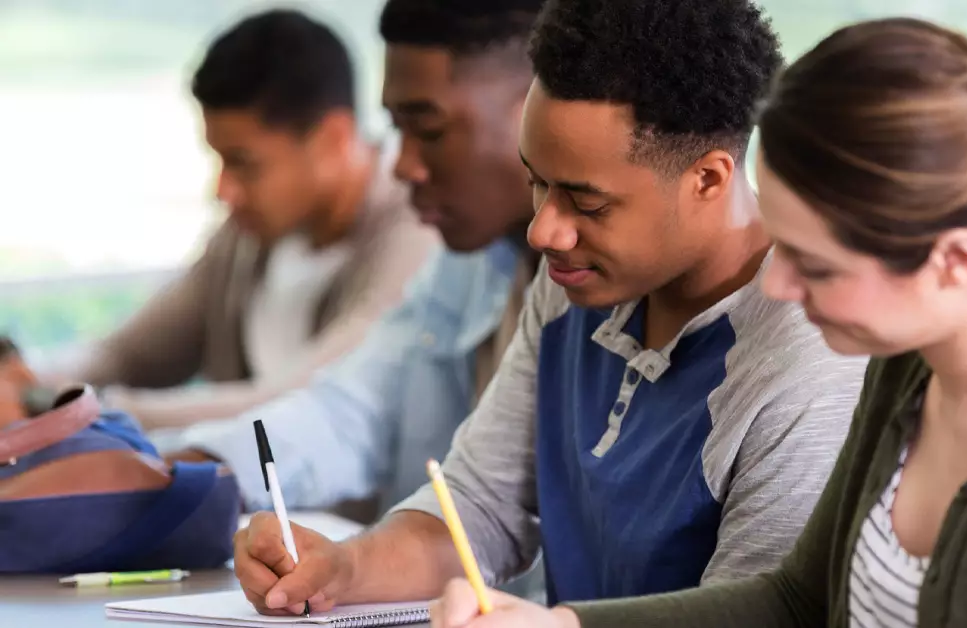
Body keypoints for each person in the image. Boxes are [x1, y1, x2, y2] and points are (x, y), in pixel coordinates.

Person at [427, 16, 967, 628]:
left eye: (816, 264)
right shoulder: (912, 362)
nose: (782, 286)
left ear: (956, 260)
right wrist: (558, 625)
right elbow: (798, 603)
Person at [232, 0, 867, 616]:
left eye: (588, 203)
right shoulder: (575, 280)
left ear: (708, 178)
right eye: (537, 181)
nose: (544, 230)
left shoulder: (805, 362)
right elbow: (479, 508)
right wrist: (344, 568)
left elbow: (760, 613)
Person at [165, 0, 546, 521]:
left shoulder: (601, 286)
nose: (406, 165)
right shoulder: (467, 265)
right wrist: (188, 469)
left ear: (539, 108)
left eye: (429, 130)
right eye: (397, 130)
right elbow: (353, 406)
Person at [45, 9, 438, 431]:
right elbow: (127, 354)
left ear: (333, 139)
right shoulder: (248, 234)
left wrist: (88, 410)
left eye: (243, 164)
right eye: (218, 160)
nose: (222, 191)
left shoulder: (414, 229)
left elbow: (300, 399)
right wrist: (32, 382)